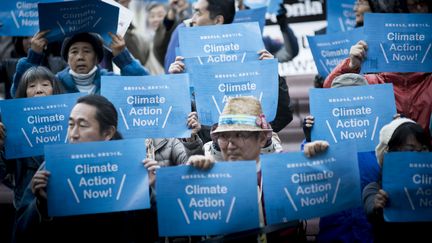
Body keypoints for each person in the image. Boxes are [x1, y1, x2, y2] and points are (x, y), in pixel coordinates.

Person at [185, 96, 326, 241]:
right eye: (224, 136)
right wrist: (194, 179)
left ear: (262, 138)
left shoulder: (284, 170)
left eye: (240, 135)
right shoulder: (212, 176)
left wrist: (321, 159)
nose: (230, 145)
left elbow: (327, 189)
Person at [323, 40, 432, 142]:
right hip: (381, 159)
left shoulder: (429, 82)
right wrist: (350, 66)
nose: (405, 46)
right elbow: (330, 94)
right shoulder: (371, 82)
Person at [11, 31, 149, 97]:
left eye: (87, 51)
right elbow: (18, 93)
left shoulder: (112, 81)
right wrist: (33, 56)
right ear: (67, 58)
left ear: (97, 57)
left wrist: (123, 57)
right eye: (74, 51)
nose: (80, 56)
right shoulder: (55, 83)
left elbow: (145, 87)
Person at [362, 117, 431, 242]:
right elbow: (371, 207)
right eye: (410, 150)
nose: (418, 155)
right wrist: (378, 206)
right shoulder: (374, 188)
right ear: (388, 155)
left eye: (423, 149)